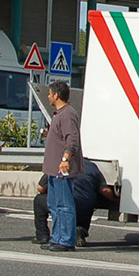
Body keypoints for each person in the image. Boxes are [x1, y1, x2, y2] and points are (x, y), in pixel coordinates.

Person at [33, 161, 117, 247]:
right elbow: (104, 190)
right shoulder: (91, 166)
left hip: (66, 204)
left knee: (39, 200)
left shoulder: (60, 164)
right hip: (85, 206)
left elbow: (41, 188)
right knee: (87, 200)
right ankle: (80, 229)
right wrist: (116, 200)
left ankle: (42, 236)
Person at [42, 80, 83, 250]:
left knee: (64, 205)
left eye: (50, 93)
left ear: (56, 95)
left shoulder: (67, 114)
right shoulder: (59, 114)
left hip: (62, 169)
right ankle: (57, 237)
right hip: (53, 169)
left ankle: (66, 240)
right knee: (54, 204)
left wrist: (65, 159)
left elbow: (72, 140)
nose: (48, 96)